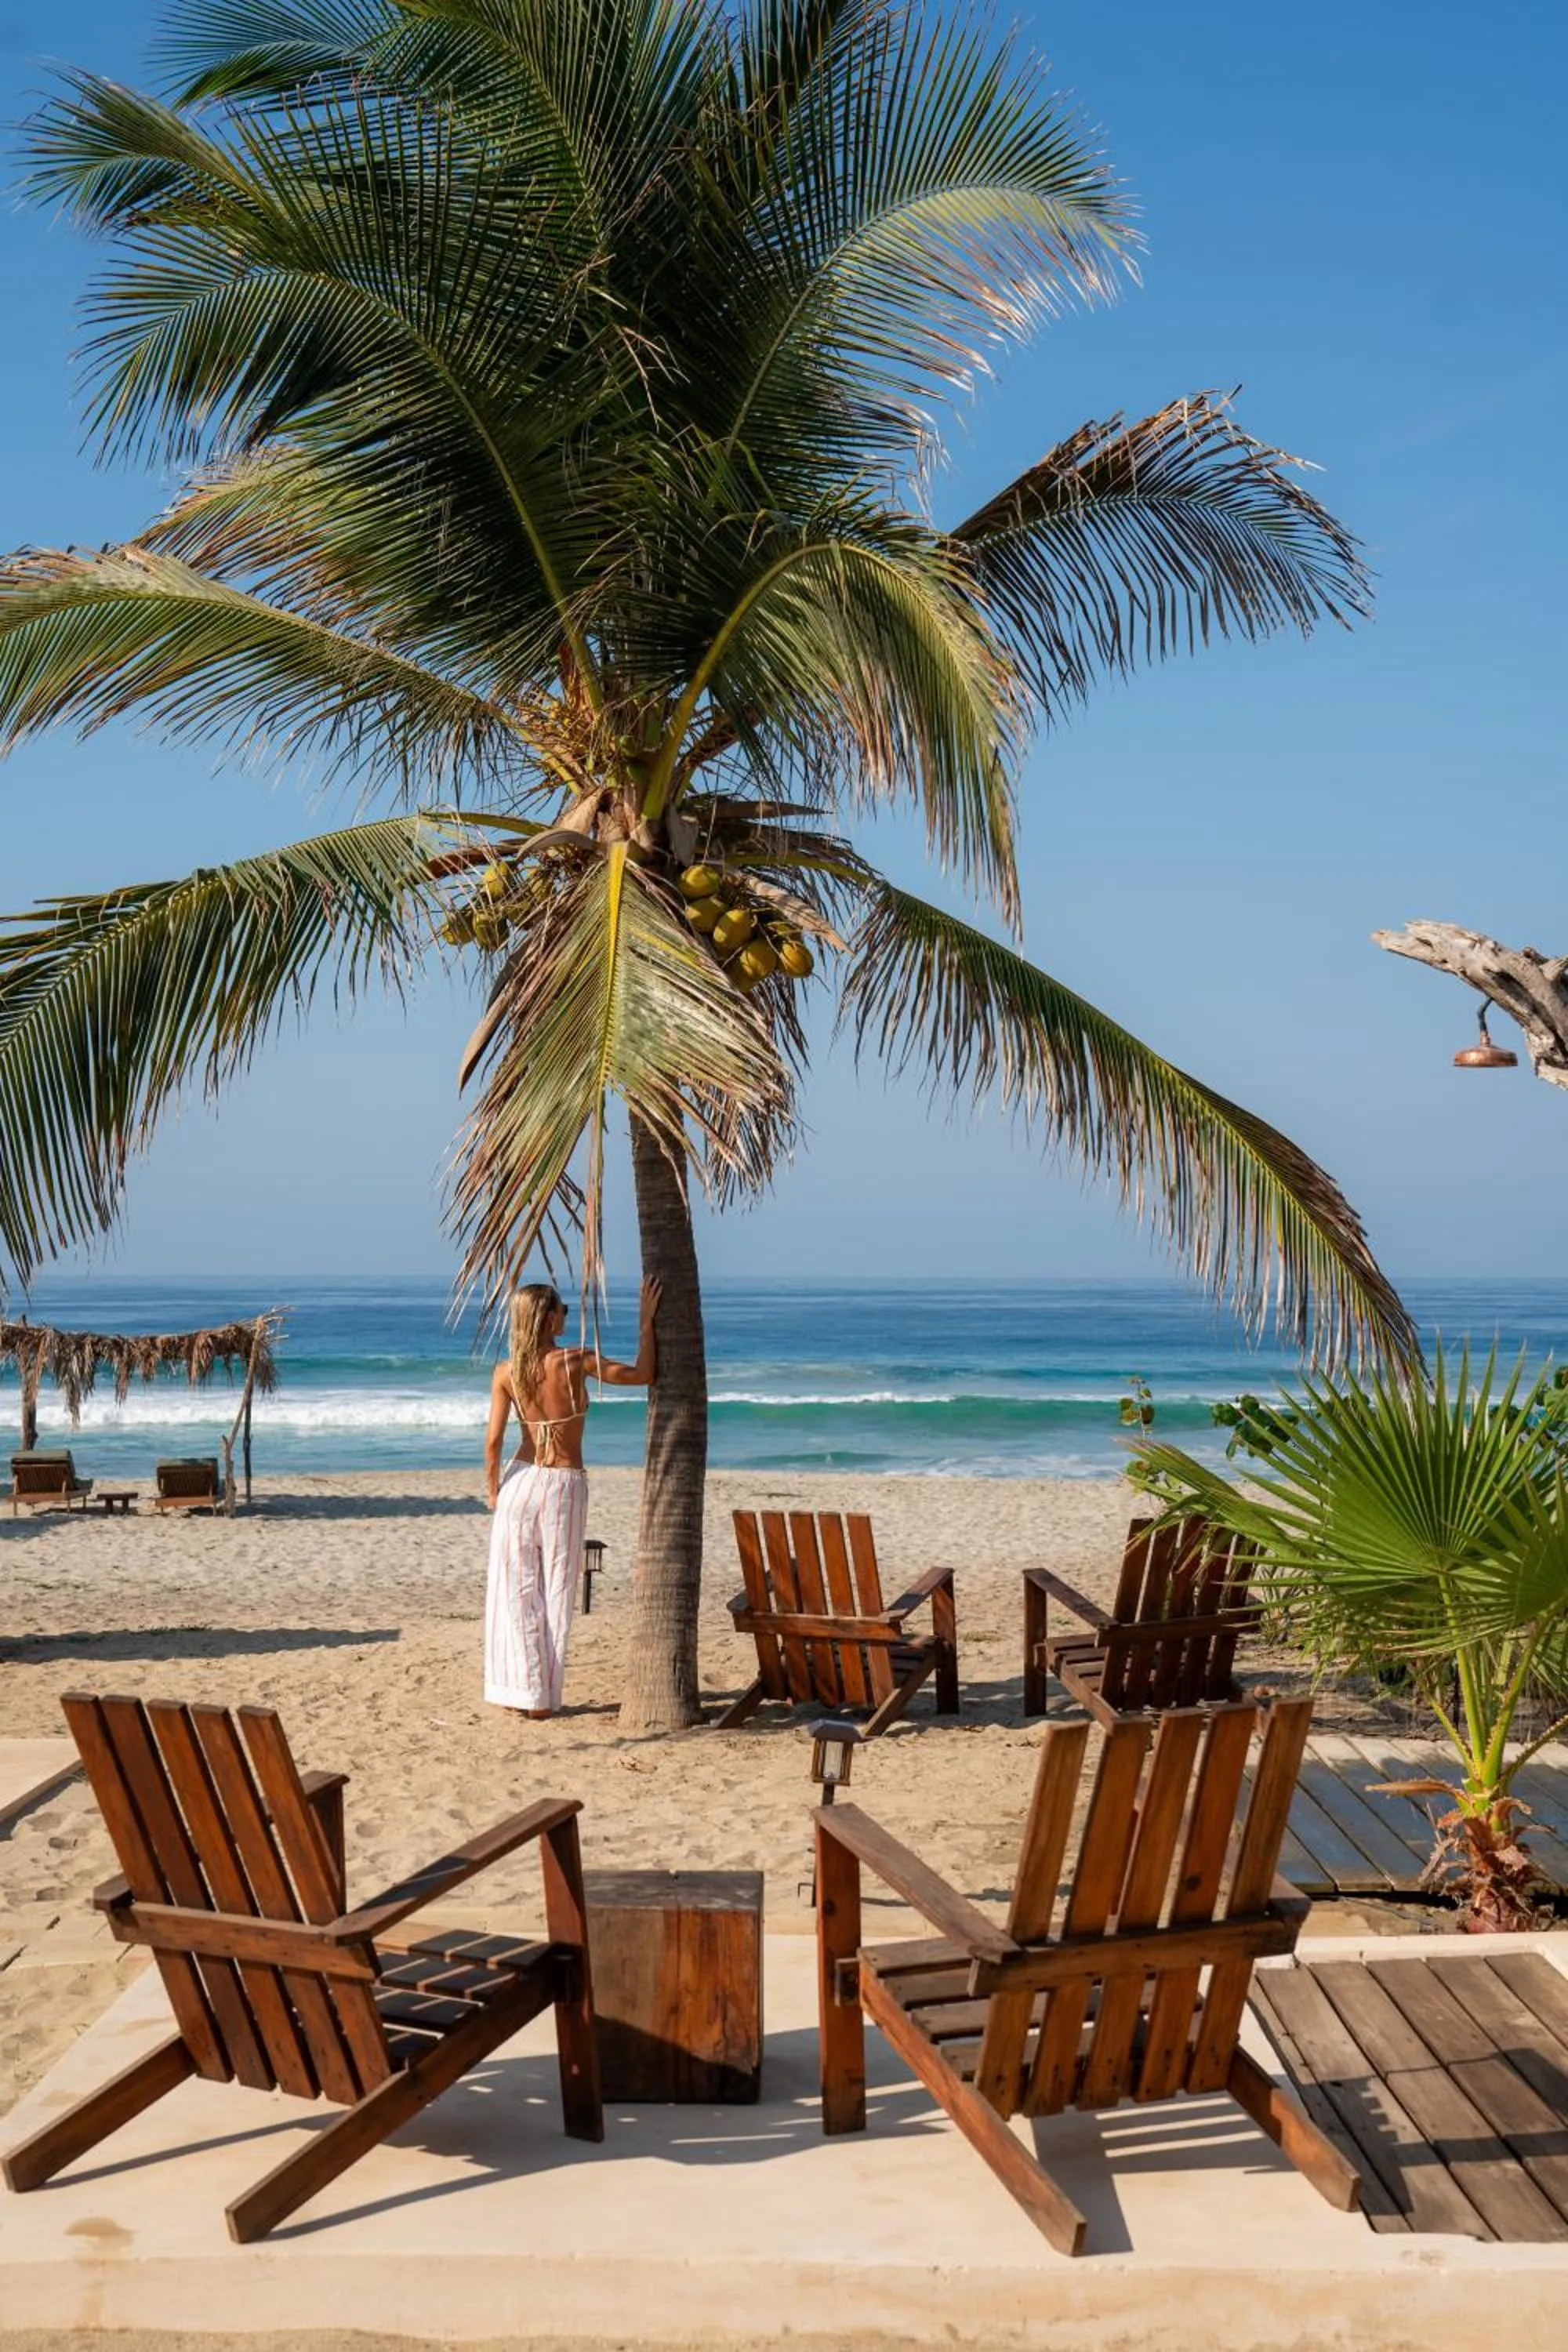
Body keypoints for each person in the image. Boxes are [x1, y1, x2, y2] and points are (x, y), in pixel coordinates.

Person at [483, 1276, 662, 1719]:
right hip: (561, 1483)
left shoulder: (506, 1372)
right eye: (561, 1309)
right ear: (546, 1319)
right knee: (557, 1588)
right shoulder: (575, 1361)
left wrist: (492, 1491)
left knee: (516, 1590)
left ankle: (518, 1692)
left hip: (518, 1481)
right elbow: (643, 1375)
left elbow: (492, 1442)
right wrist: (646, 1323)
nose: (566, 1315)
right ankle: (541, 1700)